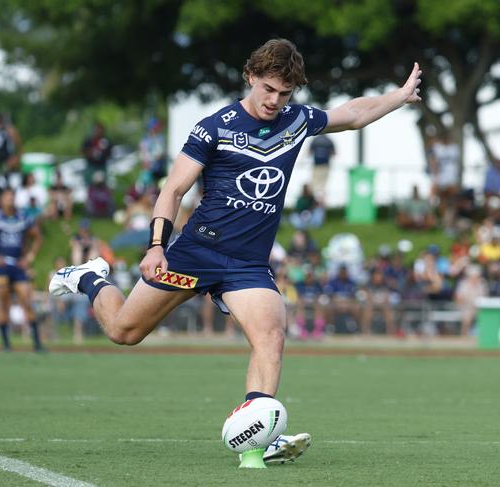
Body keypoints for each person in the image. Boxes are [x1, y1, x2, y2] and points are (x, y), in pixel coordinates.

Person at [49, 38, 422, 463]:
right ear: (250, 77)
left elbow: (352, 114)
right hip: (195, 255)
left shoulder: (296, 120)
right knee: (123, 332)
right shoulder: (215, 126)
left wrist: (398, 96)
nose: (274, 101)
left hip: (246, 265)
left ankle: (257, 440)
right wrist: (157, 245)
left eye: (284, 94)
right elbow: (173, 189)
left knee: (271, 334)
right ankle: (89, 276)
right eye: (268, 89)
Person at [0, 188, 44, 352]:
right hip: (2, 266)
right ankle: (6, 344)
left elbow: (38, 236)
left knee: (27, 301)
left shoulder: (23, 216)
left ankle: (37, 343)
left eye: (12, 196)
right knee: (3, 304)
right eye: (7, 196)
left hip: (18, 266)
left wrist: (30, 257)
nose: (10, 199)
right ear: (1, 199)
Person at [308, 133, 335, 198]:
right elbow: (333, 153)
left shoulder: (315, 139)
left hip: (316, 165)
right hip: (325, 165)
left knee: (314, 184)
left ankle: (313, 201)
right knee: (323, 185)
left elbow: (309, 152)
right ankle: (322, 201)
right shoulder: (329, 140)